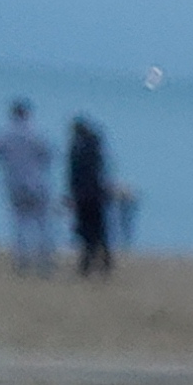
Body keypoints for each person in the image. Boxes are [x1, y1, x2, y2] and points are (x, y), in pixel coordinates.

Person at [0, 101, 56, 274]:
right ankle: (44, 261)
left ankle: (22, 260)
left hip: (14, 184)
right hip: (36, 183)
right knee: (42, 223)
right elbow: (47, 156)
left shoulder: (4, 135)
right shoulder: (36, 134)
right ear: (27, 114)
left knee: (19, 222)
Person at [63, 116, 113, 278]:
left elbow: (73, 176)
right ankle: (104, 262)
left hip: (83, 195)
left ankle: (87, 263)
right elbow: (101, 172)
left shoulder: (76, 149)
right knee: (99, 229)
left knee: (86, 230)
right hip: (96, 194)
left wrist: (71, 195)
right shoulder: (95, 146)